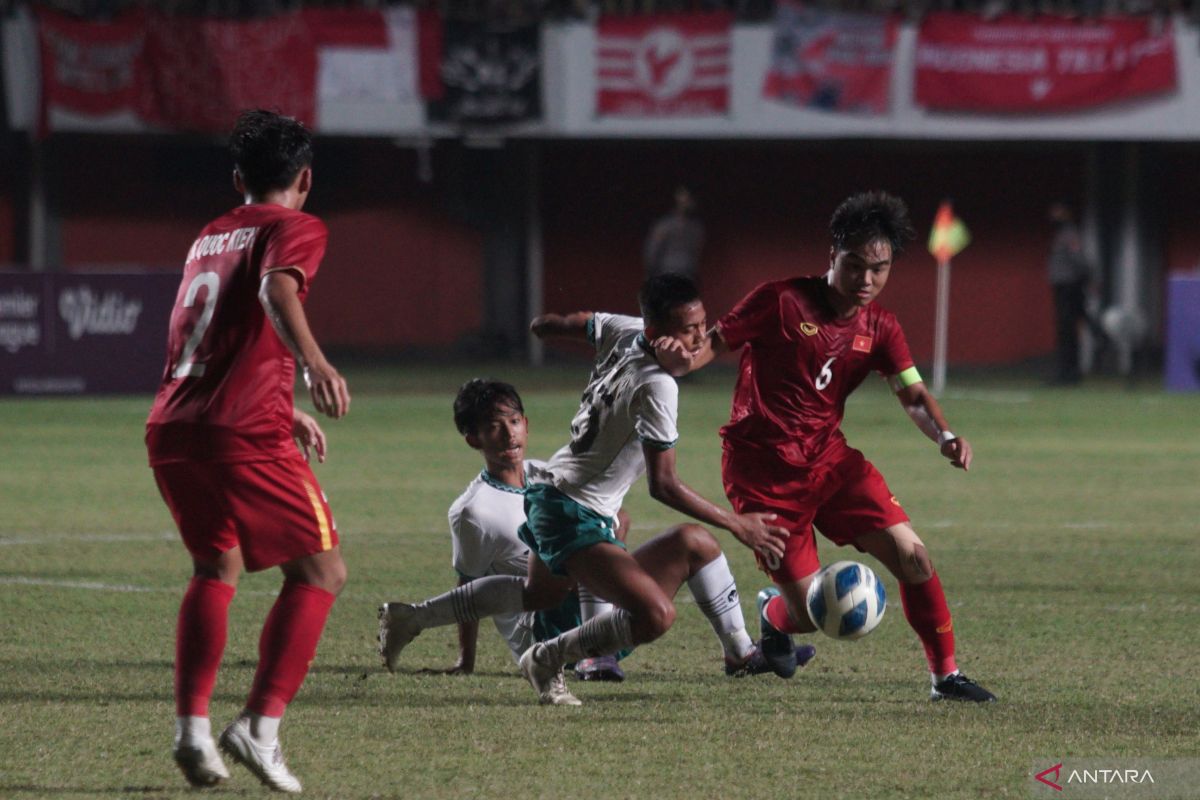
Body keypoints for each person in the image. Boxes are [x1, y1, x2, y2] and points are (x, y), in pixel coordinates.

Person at [664, 191, 996, 703]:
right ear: (833, 254)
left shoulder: (880, 327)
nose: (866, 280)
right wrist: (681, 361)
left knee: (915, 559)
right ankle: (774, 614)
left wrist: (945, 435)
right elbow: (711, 343)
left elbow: (911, 393)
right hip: (764, 474)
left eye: (879, 269)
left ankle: (945, 676)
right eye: (856, 266)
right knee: (811, 618)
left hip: (830, 462)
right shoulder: (780, 301)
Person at [146, 109, 352, 792]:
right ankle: (258, 728)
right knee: (322, 574)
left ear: (238, 178)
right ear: (305, 179)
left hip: (175, 424)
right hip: (239, 431)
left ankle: (192, 732)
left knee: (216, 565)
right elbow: (275, 290)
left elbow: (208, 334)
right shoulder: (298, 226)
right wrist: (316, 365)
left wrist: (281, 400)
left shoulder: (210, 234)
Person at [513, 274, 812, 706]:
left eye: (701, 324)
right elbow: (663, 485)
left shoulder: (624, 328)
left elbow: (553, 324)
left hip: (562, 494)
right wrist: (738, 524)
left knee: (697, 545)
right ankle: (548, 658)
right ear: (656, 332)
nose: (698, 338)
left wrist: (548, 327)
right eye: (686, 329)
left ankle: (741, 654)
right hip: (569, 509)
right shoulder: (658, 385)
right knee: (655, 616)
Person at [378, 378, 630, 683]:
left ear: (526, 424)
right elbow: (468, 585)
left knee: (683, 543)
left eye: (514, 422)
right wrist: (465, 660)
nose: (509, 434)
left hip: (580, 605)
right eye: (495, 426)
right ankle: (593, 653)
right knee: (583, 547)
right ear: (474, 439)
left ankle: (600, 644)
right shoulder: (473, 510)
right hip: (539, 629)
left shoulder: (549, 473)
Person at [1046, 202, 1098, 384]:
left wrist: (1089, 278)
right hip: (1064, 287)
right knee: (1066, 330)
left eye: (1058, 211)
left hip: (1070, 287)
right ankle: (1068, 371)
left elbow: (1079, 259)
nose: (1054, 215)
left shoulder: (1069, 234)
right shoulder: (1062, 234)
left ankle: (1069, 373)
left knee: (1068, 330)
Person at [643, 186, 706, 285]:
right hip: (667, 273)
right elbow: (652, 251)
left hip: (688, 273)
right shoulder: (664, 225)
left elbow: (697, 250)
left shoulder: (696, 227)